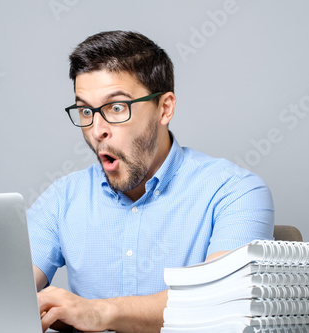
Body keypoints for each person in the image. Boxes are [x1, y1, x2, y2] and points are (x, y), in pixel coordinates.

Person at [26, 30, 274, 332]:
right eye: (85, 110)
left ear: (164, 108)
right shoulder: (63, 198)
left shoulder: (234, 191)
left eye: (116, 107)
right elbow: (6, 289)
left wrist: (99, 312)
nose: (97, 130)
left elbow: (221, 300)